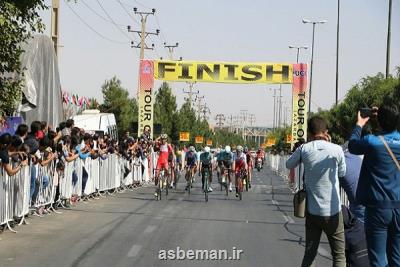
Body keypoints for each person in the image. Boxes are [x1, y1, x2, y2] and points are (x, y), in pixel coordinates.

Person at [286, 116, 346, 267]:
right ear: (326, 132)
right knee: (339, 256)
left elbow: (289, 164)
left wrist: (304, 149)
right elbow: (342, 173)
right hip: (333, 212)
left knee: (310, 254)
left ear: (309, 133)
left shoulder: (304, 149)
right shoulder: (337, 149)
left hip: (313, 212)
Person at [348, 101, 400, 266]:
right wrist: (389, 117)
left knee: (378, 260)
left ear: (379, 120)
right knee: (397, 259)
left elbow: (352, 145)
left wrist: (359, 124)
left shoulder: (372, 142)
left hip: (377, 208)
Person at [339, 142, 365, 223]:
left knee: (359, 231)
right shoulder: (358, 158)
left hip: (358, 204)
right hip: (374, 201)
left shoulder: (340, 161)